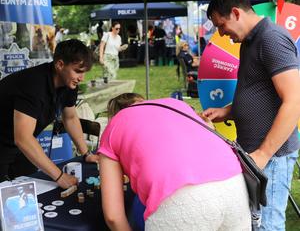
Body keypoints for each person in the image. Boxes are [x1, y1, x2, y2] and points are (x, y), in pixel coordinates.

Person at [202, 0, 300, 230]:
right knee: (254, 222)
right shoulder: (249, 41)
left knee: (268, 225)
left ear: (235, 13)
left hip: (272, 156)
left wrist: (264, 154)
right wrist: (226, 111)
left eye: (221, 25)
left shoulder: (271, 39)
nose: (221, 34)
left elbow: (294, 100)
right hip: (255, 154)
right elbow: (258, 92)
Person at [97, 93, 251, 231]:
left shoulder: (114, 126)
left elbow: (113, 217)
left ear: (114, 115)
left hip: (182, 202)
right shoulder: (176, 105)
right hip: (234, 188)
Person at [0, 39, 99, 189]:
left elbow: (70, 118)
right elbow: (23, 138)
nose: (81, 78)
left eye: (84, 72)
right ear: (60, 65)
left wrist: (87, 153)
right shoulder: (33, 85)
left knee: (31, 189)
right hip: (6, 142)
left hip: (17, 145)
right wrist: (60, 177)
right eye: (78, 71)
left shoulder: (69, 84)